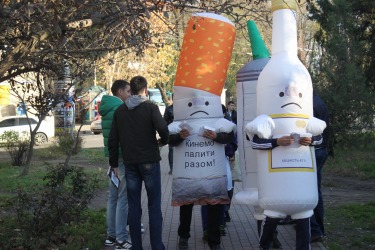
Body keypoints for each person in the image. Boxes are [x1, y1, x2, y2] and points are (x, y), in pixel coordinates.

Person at [108, 76, 169, 250]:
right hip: (150, 161)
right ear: (145, 88)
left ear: (131, 89)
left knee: (134, 208)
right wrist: (163, 141)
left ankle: (137, 247)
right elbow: (163, 128)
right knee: (154, 206)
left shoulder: (120, 111)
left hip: (130, 164)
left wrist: (113, 163)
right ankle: (157, 246)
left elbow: (113, 140)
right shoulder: (150, 107)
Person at [251, 133, 323, 250]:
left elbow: (320, 138)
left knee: (303, 214)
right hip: (276, 179)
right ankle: (264, 246)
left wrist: (312, 140)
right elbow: (255, 143)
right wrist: (276, 142)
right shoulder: (265, 118)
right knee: (272, 214)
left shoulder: (305, 116)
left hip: (300, 175)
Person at [169, 124, 235, 250]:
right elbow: (169, 139)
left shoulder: (217, 118)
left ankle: (214, 241)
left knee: (214, 205)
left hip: (211, 169)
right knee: (186, 205)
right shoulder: (181, 118)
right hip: (188, 170)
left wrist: (217, 136)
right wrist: (179, 136)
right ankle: (183, 237)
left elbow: (230, 136)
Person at [99, 80, 132, 249]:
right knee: (122, 199)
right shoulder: (120, 109)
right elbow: (119, 137)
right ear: (120, 91)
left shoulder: (108, 107)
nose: (130, 94)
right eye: (128, 91)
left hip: (112, 159)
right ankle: (121, 238)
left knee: (112, 198)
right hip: (121, 159)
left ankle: (111, 236)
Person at [310, 93, 330, 243]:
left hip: (314, 151)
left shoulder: (307, 102)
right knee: (316, 190)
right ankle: (317, 229)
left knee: (310, 191)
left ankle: (315, 229)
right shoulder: (318, 100)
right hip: (322, 150)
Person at [163, 100, 174, 175]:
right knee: (171, 150)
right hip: (172, 132)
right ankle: (172, 168)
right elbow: (165, 121)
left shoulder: (183, 108)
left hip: (182, 131)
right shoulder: (169, 109)